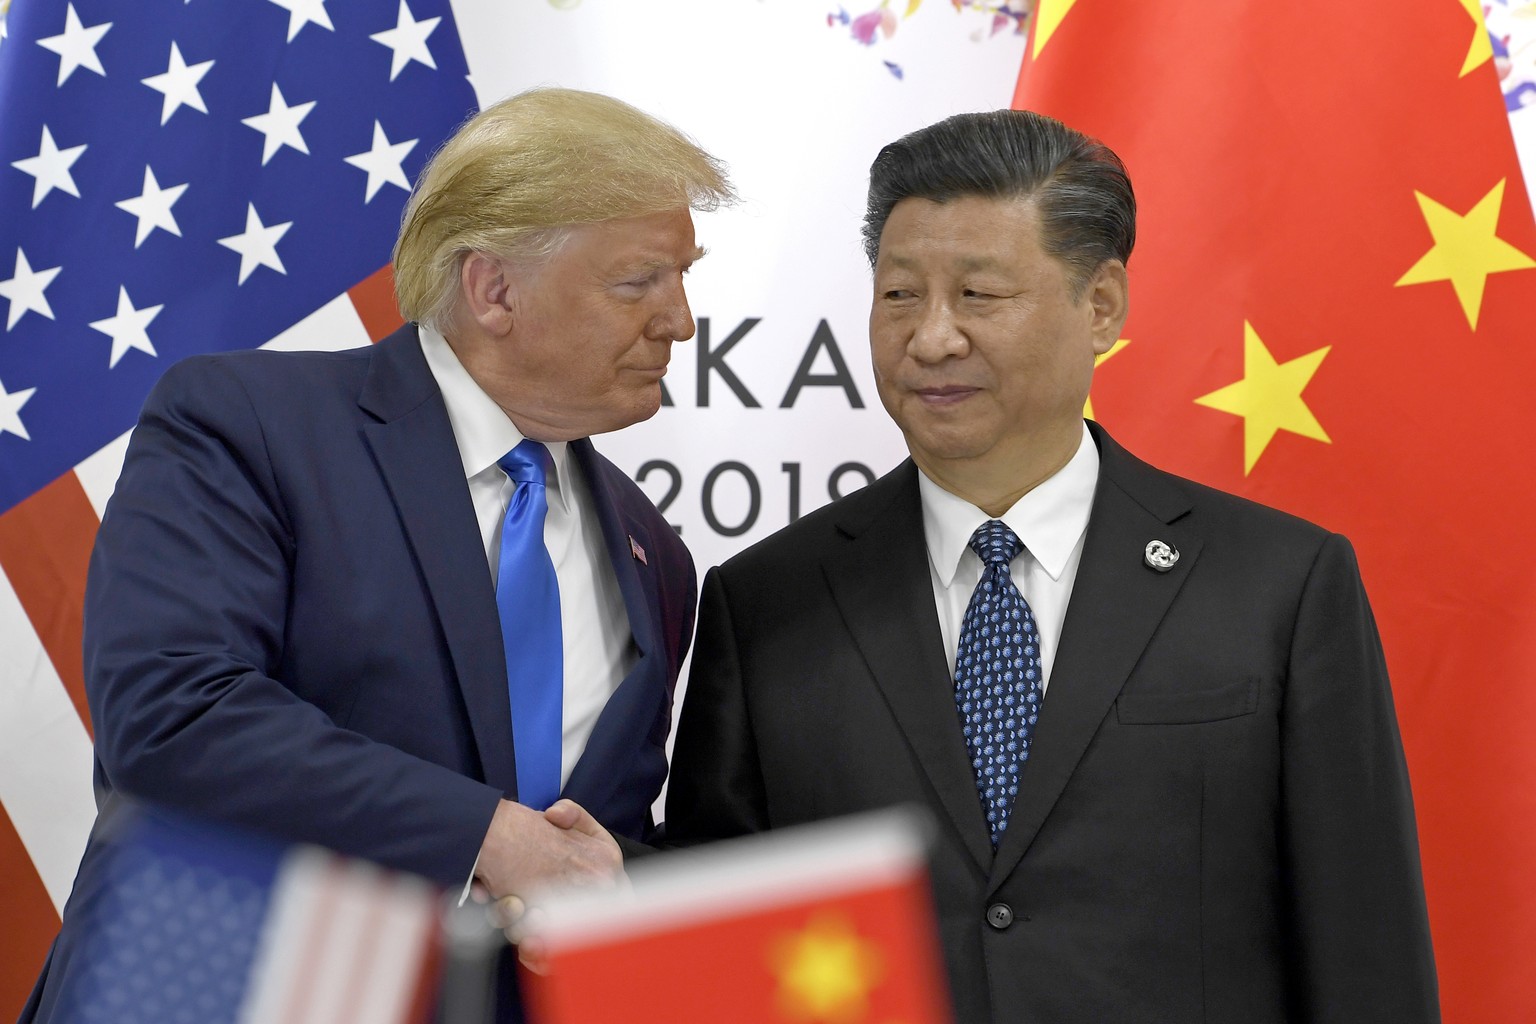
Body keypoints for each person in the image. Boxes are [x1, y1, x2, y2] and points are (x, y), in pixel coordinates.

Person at [664, 109, 1439, 1023]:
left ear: (1101, 305)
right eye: (900, 294)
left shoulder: (1279, 585)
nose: (932, 339)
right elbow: (717, 951)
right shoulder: (767, 604)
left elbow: (1365, 950)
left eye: (980, 295)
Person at [22, 87, 732, 1023]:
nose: (680, 322)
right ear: (494, 289)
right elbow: (172, 714)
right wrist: (487, 836)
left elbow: (589, 847)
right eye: (640, 281)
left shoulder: (656, 557)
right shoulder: (249, 424)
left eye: (683, 279)